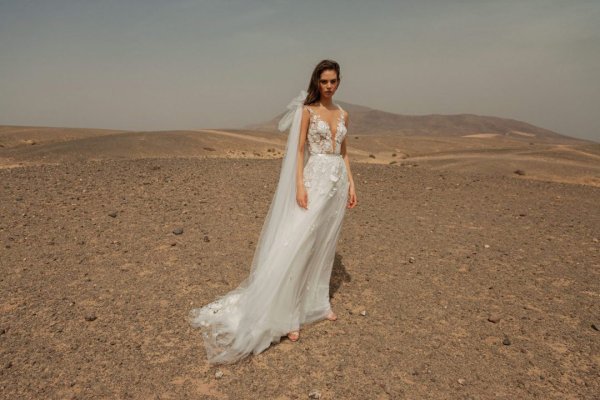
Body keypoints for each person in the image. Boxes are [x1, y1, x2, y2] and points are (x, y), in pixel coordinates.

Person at [188, 59, 357, 364]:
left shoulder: (344, 114)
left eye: (333, 81)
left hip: (337, 183)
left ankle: (316, 304)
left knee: (324, 242)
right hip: (314, 179)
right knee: (300, 243)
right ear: (316, 83)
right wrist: (300, 186)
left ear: (339, 82)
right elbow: (298, 152)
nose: (329, 86)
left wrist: (353, 183)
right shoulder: (307, 112)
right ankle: (287, 314)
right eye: (324, 81)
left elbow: (344, 151)